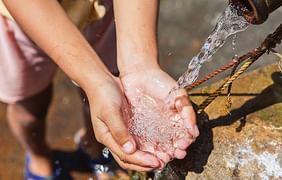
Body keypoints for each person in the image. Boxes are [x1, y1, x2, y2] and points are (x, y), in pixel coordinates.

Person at [0, 0, 199, 179]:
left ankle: (92, 147)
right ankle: (39, 157)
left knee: (108, 94)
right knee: (30, 107)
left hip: (102, 10)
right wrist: (94, 81)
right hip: (24, 20)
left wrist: (140, 63)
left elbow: (105, 86)